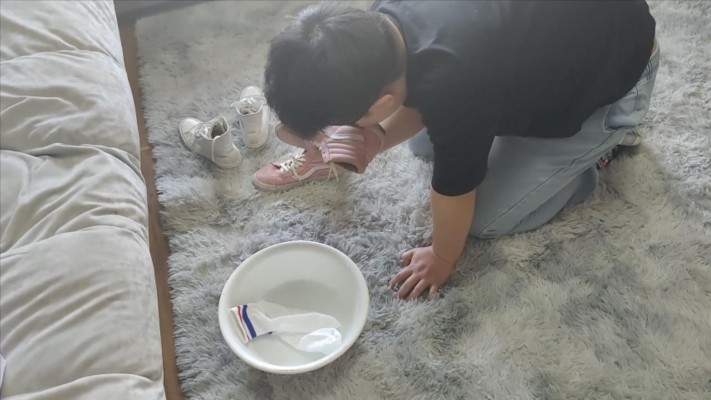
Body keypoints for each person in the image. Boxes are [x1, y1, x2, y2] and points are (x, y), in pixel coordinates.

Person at [253, 1, 659, 301]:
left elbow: (454, 188)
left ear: (380, 104)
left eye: (347, 124)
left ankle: (599, 150)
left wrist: (443, 256)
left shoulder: (456, 86)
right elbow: (418, 88)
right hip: (553, 40)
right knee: (424, 142)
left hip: (618, 73)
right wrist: (374, 139)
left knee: (483, 219)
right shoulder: (378, 23)